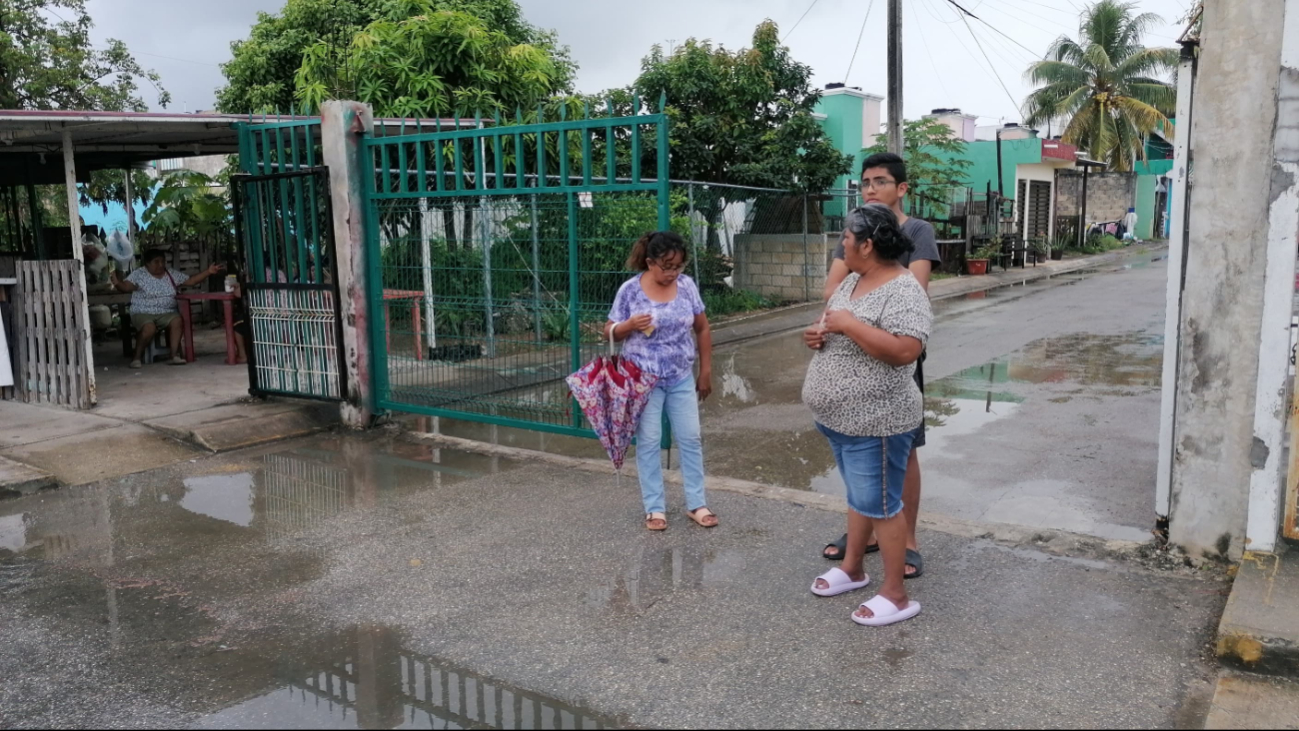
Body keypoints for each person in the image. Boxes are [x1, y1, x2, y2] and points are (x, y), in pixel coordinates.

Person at [804, 203, 932, 626]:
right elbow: (835, 323)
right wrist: (818, 335)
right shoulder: (854, 281)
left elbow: (905, 351)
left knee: (882, 505)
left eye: (846, 237)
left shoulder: (903, 288)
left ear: (868, 244)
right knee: (862, 499)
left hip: (876, 423)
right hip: (841, 422)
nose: (842, 242)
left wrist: (849, 326)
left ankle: (895, 594)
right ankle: (852, 568)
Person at [820, 152, 941, 580]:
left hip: (894, 355)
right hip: (852, 348)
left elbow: (916, 290)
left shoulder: (917, 231)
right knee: (862, 458)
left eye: (881, 181)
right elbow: (835, 288)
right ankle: (866, 536)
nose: (871, 188)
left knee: (900, 449)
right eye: (866, 181)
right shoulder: (856, 229)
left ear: (901, 188)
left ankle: (907, 540)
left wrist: (862, 318)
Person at [605, 231, 716, 532]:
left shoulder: (687, 286)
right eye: (666, 266)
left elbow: (702, 329)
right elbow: (609, 331)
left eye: (677, 266)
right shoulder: (631, 290)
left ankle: (697, 503)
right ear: (650, 262)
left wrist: (705, 372)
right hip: (642, 381)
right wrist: (628, 326)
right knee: (650, 442)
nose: (672, 273)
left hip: (680, 376)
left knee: (691, 438)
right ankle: (655, 507)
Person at [109, 249, 224, 369]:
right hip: (143, 312)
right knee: (149, 328)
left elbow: (191, 281)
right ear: (147, 264)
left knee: (177, 321)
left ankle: (173, 356)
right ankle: (136, 357)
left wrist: (209, 272)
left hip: (167, 312)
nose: (161, 265)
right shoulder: (139, 274)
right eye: (156, 262)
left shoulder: (170, 274)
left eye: (163, 261)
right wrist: (117, 283)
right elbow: (126, 287)